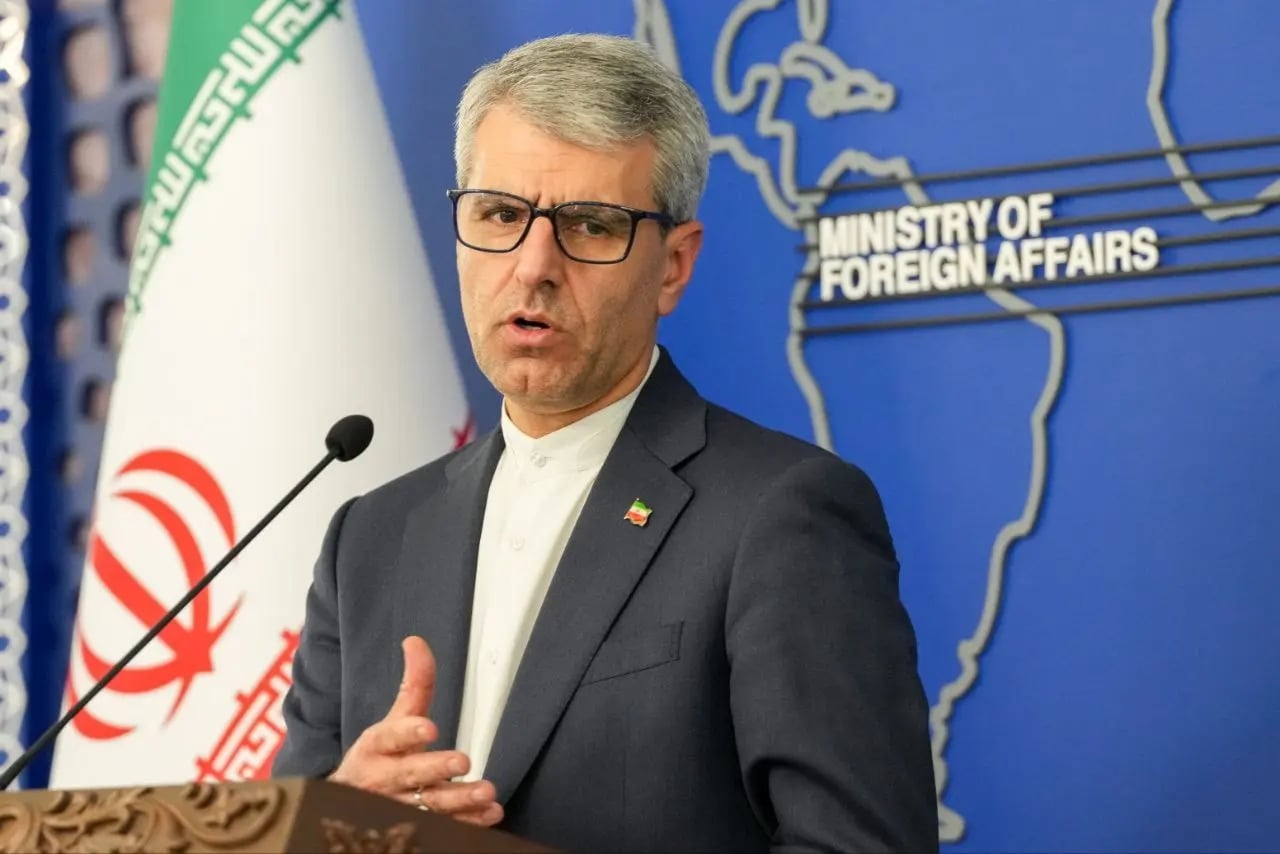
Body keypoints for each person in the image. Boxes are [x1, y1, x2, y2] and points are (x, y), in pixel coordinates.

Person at [273, 32, 937, 853]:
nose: (532, 267)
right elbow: (287, 831)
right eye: (500, 215)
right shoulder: (370, 539)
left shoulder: (779, 515)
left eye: (589, 226)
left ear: (673, 266)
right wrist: (342, 820)